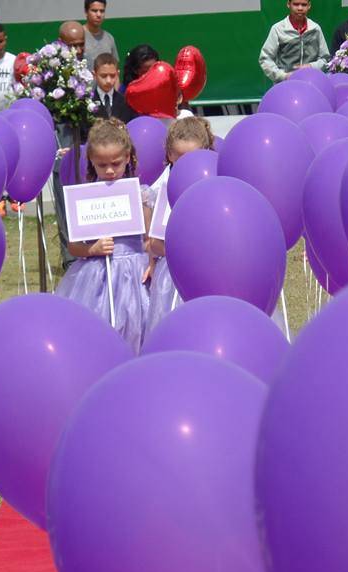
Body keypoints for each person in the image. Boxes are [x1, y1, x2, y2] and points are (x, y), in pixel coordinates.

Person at [55, 118, 151, 352]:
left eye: (115, 163)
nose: (109, 171)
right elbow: (74, 246)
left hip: (135, 274)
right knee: (99, 331)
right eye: (101, 165)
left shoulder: (140, 195)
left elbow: (148, 240)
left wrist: (151, 262)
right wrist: (93, 249)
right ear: (91, 162)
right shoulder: (87, 197)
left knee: (137, 329)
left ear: (127, 157)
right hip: (97, 276)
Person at [145, 117, 215, 334]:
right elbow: (151, 242)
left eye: (193, 158)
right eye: (180, 158)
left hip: (207, 270)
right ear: (169, 155)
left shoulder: (214, 187)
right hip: (171, 273)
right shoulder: (158, 191)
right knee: (172, 324)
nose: (186, 165)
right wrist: (156, 255)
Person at [53, 20, 91, 271]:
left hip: (84, 141)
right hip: (61, 140)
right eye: (72, 46)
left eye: (81, 45)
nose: (77, 51)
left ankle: (87, 249)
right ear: (60, 44)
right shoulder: (49, 72)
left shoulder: (86, 70)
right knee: (64, 197)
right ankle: (70, 256)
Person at [259, 0, 330, 84]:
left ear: (309, 6)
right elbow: (265, 59)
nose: (300, 8)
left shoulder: (315, 29)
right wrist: (283, 76)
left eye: (304, 5)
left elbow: (325, 59)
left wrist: (311, 66)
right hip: (285, 85)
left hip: (311, 84)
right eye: (296, 4)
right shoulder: (278, 29)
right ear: (288, 4)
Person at [93, 52, 135, 122]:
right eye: (103, 76)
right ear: (94, 75)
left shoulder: (125, 102)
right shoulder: (86, 102)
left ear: (117, 74)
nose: (108, 81)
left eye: (112, 76)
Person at [84, 0, 118, 73]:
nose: (98, 14)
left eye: (102, 11)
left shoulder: (109, 38)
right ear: (86, 12)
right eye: (94, 11)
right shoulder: (78, 36)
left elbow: (115, 67)